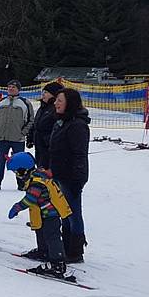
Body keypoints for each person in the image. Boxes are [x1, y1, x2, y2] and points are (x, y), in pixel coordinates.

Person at [6, 152, 74, 281]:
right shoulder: (36, 175)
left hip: (51, 214)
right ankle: (44, 251)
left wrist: (17, 207)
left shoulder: (37, 182)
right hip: (43, 214)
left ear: (24, 170)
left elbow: (30, 199)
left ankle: (57, 263)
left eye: (17, 172)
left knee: (52, 236)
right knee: (40, 231)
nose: (17, 176)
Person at [48, 88, 90, 263]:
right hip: (58, 174)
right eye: (56, 100)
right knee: (63, 213)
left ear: (69, 103)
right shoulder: (61, 121)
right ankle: (65, 247)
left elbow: (80, 154)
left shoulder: (77, 125)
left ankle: (75, 251)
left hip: (71, 177)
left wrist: (77, 180)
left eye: (60, 100)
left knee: (73, 214)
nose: (56, 103)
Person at [0, 79, 34, 191]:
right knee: (0, 161)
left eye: (13, 87)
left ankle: (21, 184)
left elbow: (30, 120)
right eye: (9, 86)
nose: (10, 89)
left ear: (18, 89)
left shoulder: (25, 103)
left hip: (18, 139)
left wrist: (23, 132)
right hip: (2, 138)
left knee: (20, 162)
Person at [27, 82, 62, 168]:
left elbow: (58, 129)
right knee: (41, 169)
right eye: (43, 92)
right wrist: (30, 137)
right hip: (39, 146)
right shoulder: (42, 107)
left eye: (46, 92)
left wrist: (48, 141)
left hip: (49, 148)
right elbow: (36, 124)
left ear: (54, 94)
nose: (43, 95)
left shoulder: (56, 109)